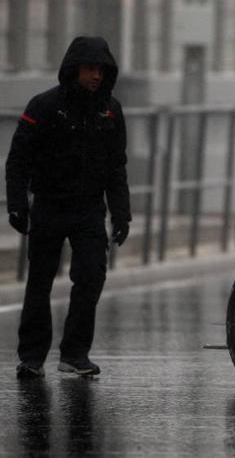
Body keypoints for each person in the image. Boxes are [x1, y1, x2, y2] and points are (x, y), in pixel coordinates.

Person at [6, 36, 131, 379]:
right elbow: (18, 159)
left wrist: (121, 214)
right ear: (74, 69)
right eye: (90, 69)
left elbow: (116, 167)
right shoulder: (44, 107)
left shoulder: (111, 111)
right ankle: (31, 357)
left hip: (90, 210)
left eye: (102, 70)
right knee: (40, 282)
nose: (96, 76)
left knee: (91, 277)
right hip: (49, 205)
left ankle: (75, 354)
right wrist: (16, 205)